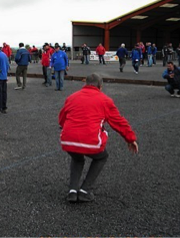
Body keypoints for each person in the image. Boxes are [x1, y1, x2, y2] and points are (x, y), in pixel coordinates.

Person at [59, 73, 138, 202]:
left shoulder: (72, 97)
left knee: (77, 158)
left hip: (68, 138)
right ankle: (84, 190)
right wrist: (130, 138)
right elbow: (118, 122)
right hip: (90, 140)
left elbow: (62, 117)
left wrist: (64, 128)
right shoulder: (105, 100)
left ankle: (72, 191)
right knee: (101, 157)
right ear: (100, 87)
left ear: (85, 83)